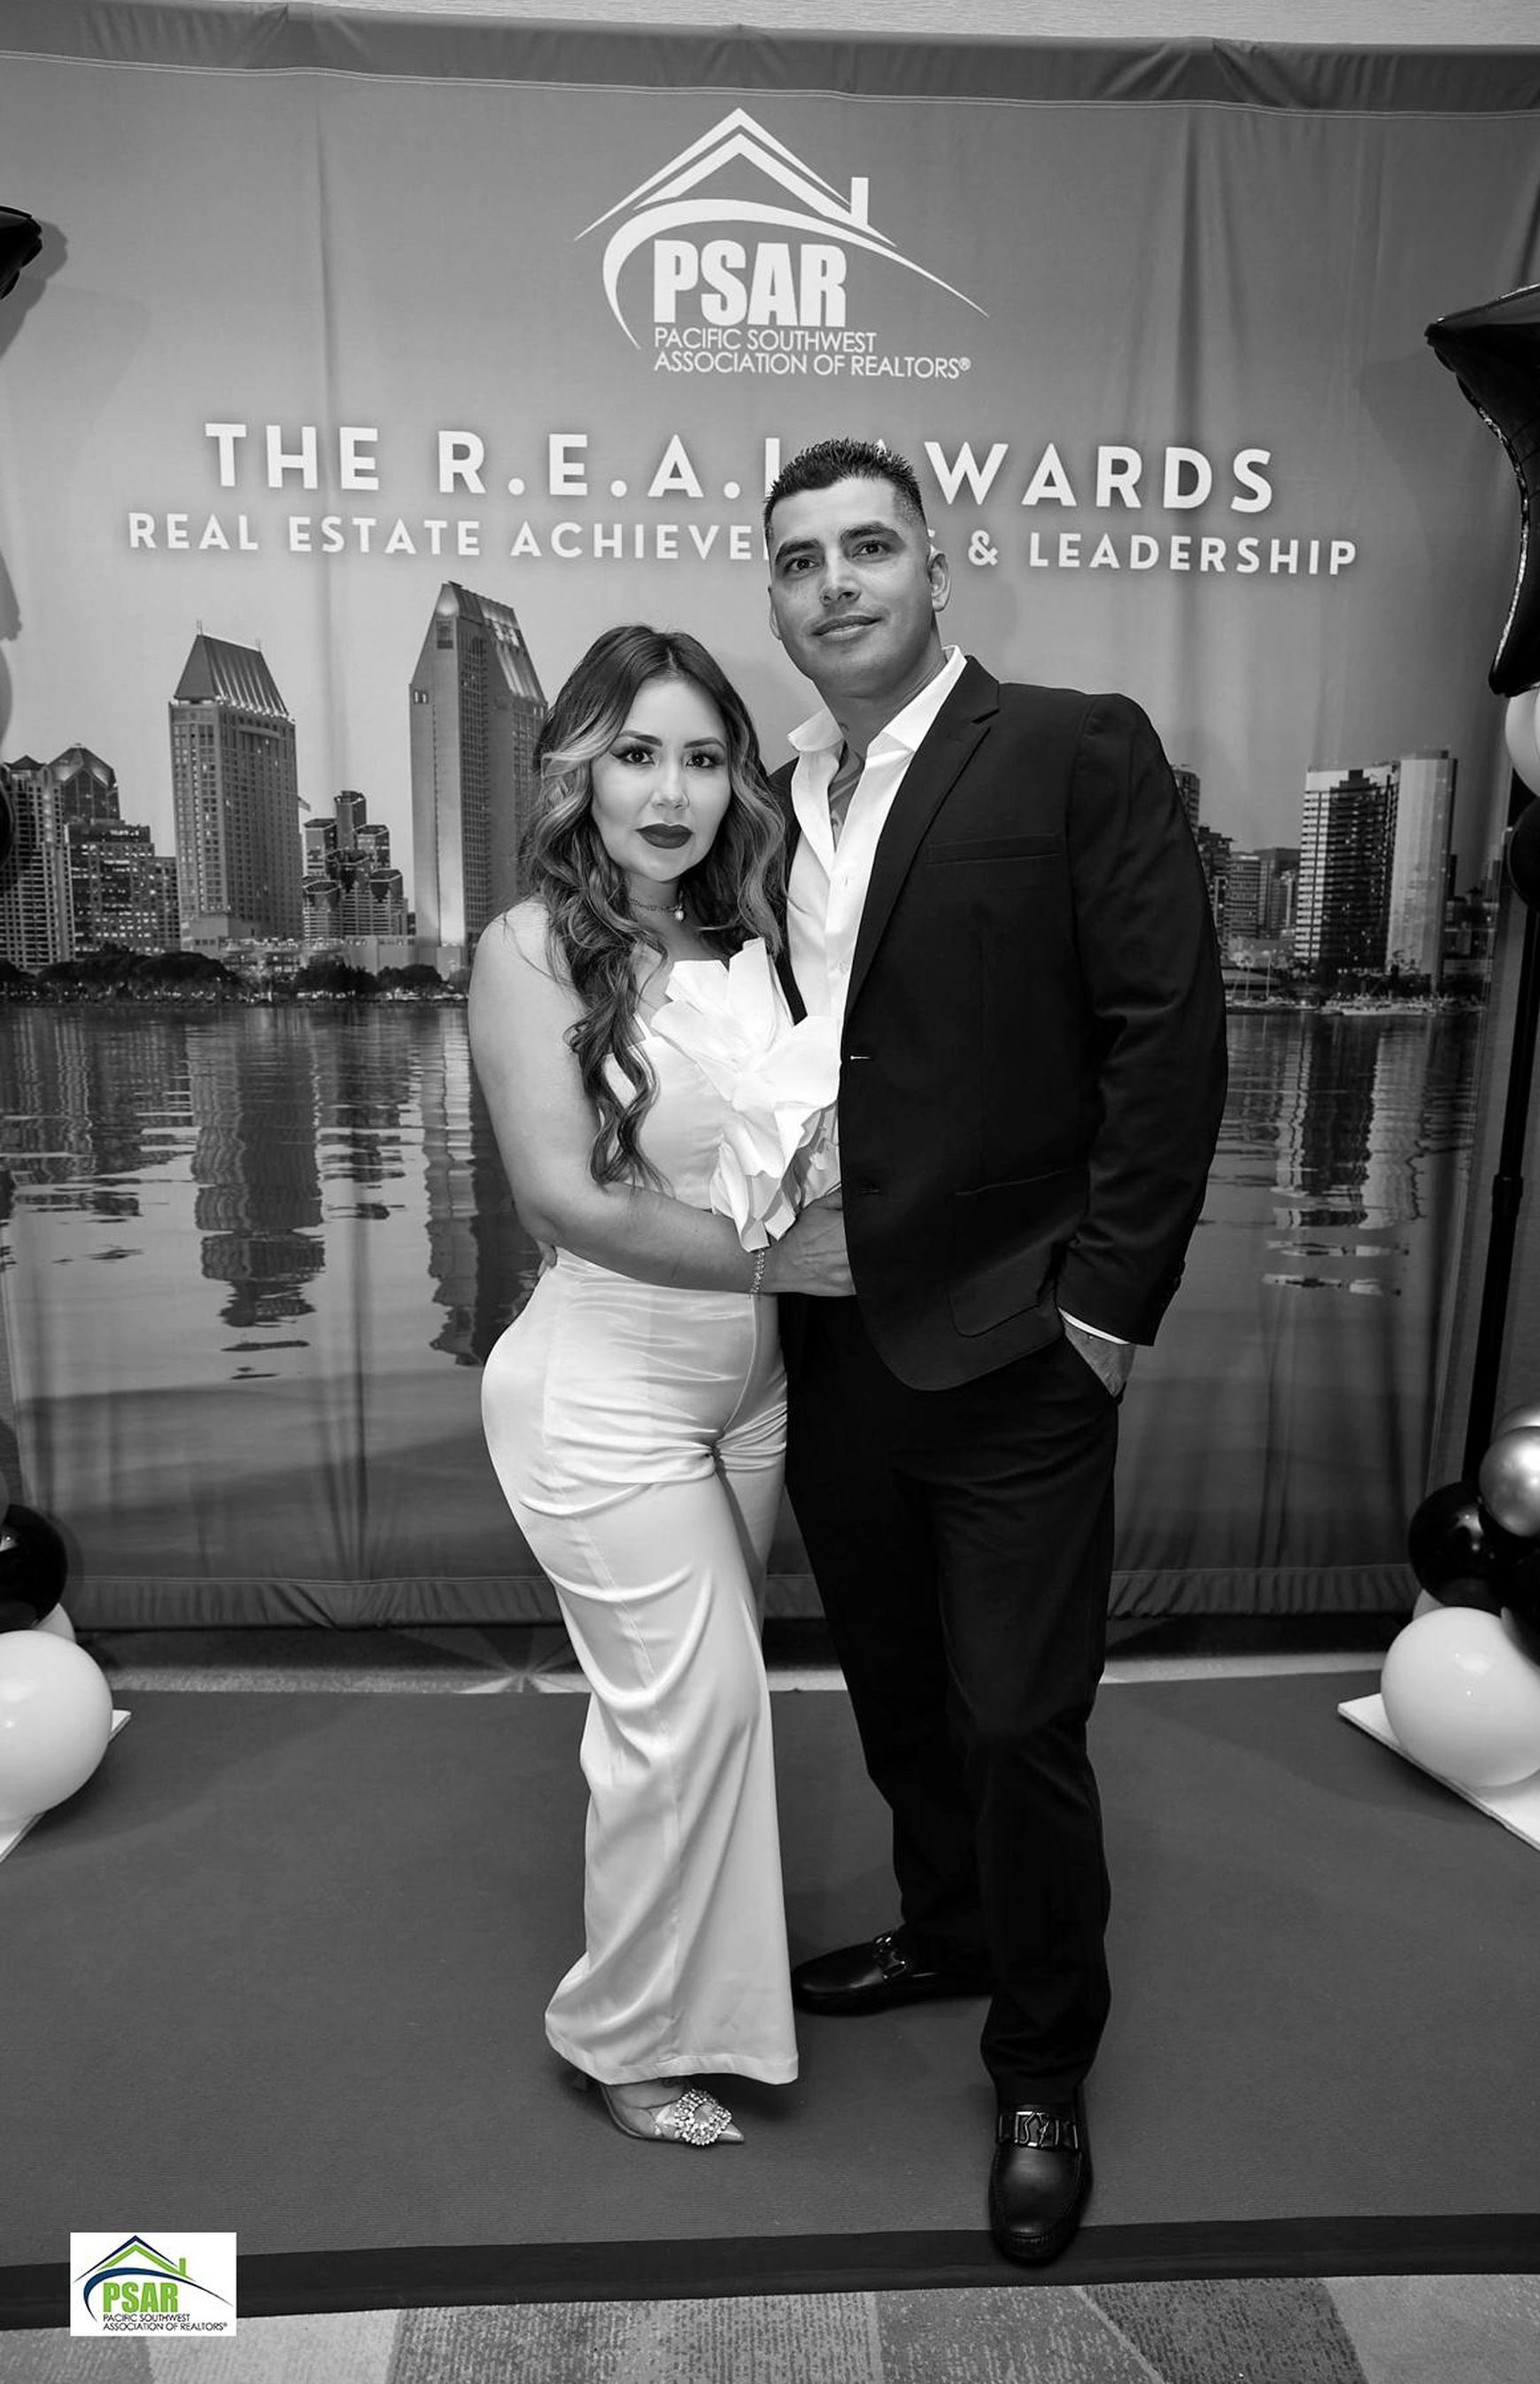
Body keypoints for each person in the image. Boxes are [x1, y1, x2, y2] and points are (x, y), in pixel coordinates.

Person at [762, 437, 1227, 2261]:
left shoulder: (1070, 747)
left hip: (1025, 1344)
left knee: (1022, 1718)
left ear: (937, 567)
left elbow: (1166, 1035)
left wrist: (1102, 1313)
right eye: (800, 559)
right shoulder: (776, 797)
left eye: (868, 546)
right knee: (896, 1689)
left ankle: (1042, 2067)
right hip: (835, 1341)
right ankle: (945, 1927)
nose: (836, 584)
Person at [469, 623, 843, 2150]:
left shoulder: (754, 938)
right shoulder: (530, 949)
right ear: (581, 770)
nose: (671, 792)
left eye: (701, 757)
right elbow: (563, 1201)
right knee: (693, 1716)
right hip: (601, 1393)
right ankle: (620, 2039)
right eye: (637, 755)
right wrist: (800, 1270)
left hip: (746, 1398)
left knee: (700, 1719)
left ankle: (706, 1999)